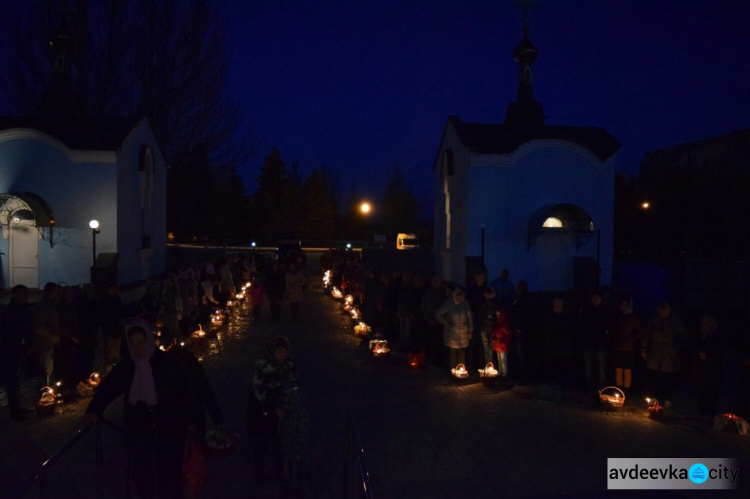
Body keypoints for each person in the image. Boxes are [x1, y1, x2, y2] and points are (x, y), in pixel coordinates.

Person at [85, 321, 190, 498]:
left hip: (167, 426)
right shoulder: (127, 367)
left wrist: (187, 420)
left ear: (148, 341)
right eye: (133, 343)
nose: (137, 347)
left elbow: (183, 391)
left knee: (168, 474)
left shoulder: (167, 363)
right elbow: (109, 388)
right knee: (142, 473)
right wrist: (94, 408)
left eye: (140, 342)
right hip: (139, 428)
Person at [247, 336, 298, 483]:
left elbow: (294, 386)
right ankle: (259, 474)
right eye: (278, 352)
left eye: (284, 352)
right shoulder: (262, 366)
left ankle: (280, 473)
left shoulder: (289, 365)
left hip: (282, 411)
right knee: (262, 443)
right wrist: (274, 407)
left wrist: (288, 404)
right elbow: (258, 390)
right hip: (263, 410)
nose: (281, 355)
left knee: (279, 443)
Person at [641, 302, 686, 408]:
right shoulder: (653, 321)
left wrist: (676, 349)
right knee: (654, 376)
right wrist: (644, 349)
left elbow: (682, 337)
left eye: (665, 310)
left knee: (667, 377)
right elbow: (646, 335)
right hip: (655, 353)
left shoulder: (676, 322)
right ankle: (653, 397)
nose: (662, 313)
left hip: (669, 354)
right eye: (660, 310)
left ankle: (667, 398)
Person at [0, 285, 34, 420]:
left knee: (17, 379)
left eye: (26, 294)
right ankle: (15, 411)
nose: (26, 297)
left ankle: (18, 407)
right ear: (15, 295)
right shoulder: (11, 311)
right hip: (11, 349)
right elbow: (8, 331)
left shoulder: (21, 309)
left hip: (19, 348)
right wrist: (20, 342)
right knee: (12, 380)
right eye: (23, 294)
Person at [579, 290, 614, 393]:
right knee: (589, 369)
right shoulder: (586, 310)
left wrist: (606, 336)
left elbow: (609, 327)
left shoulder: (605, 311)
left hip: (601, 345)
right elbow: (582, 326)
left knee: (601, 369)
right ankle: (590, 389)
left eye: (597, 298)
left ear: (601, 299)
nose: (595, 300)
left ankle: (601, 390)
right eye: (594, 298)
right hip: (589, 344)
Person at [435, 288, 473, 371]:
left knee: (462, 353)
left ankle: (461, 371)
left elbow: (470, 318)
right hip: (452, 333)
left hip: (463, 332)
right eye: (457, 296)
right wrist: (446, 323)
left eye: (461, 296)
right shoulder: (449, 304)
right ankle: (453, 371)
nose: (459, 298)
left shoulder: (466, 304)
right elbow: (438, 314)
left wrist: (470, 330)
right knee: (453, 353)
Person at [542, 297, 577, 387]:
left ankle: (563, 387)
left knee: (563, 368)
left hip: (564, 349)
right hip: (553, 349)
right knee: (554, 368)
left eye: (558, 305)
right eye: (555, 305)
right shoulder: (549, 317)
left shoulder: (567, 318)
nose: (556, 307)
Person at [612, 297, 642, 398]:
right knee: (618, 369)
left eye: (625, 305)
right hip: (618, 347)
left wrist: (629, 340)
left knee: (627, 369)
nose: (622, 307)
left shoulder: (633, 318)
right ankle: (619, 391)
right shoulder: (617, 317)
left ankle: (626, 392)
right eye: (621, 304)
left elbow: (638, 332)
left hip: (628, 348)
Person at [33, 282, 61, 386]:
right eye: (56, 292)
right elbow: (39, 327)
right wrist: (53, 336)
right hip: (44, 343)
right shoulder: (44, 306)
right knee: (45, 370)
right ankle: (44, 393)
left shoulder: (50, 305)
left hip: (49, 342)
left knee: (49, 369)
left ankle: (47, 391)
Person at [421, 274, 447, 366]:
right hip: (430, 320)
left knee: (440, 340)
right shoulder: (428, 291)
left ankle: (440, 359)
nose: (436, 282)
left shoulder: (444, 292)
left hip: (440, 321)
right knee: (432, 340)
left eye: (438, 280)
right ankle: (433, 358)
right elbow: (424, 304)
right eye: (434, 280)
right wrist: (426, 316)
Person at [99, 283, 124, 374]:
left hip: (117, 327)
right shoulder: (105, 300)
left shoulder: (117, 299)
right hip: (110, 328)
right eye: (112, 289)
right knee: (110, 348)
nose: (114, 291)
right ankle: (109, 368)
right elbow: (105, 315)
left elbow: (121, 310)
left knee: (116, 347)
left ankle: (115, 365)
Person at [491, 308, 512, 378]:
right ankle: (500, 372)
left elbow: (508, 336)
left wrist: (503, 342)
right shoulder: (497, 324)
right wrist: (494, 339)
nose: (497, 316)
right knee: (499, 359)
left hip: (502, 346)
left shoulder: (504, 325)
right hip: (497, 345)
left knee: (503, 360)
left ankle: (504, 374)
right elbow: (495, 333)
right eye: (497, 314)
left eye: (499, 314)